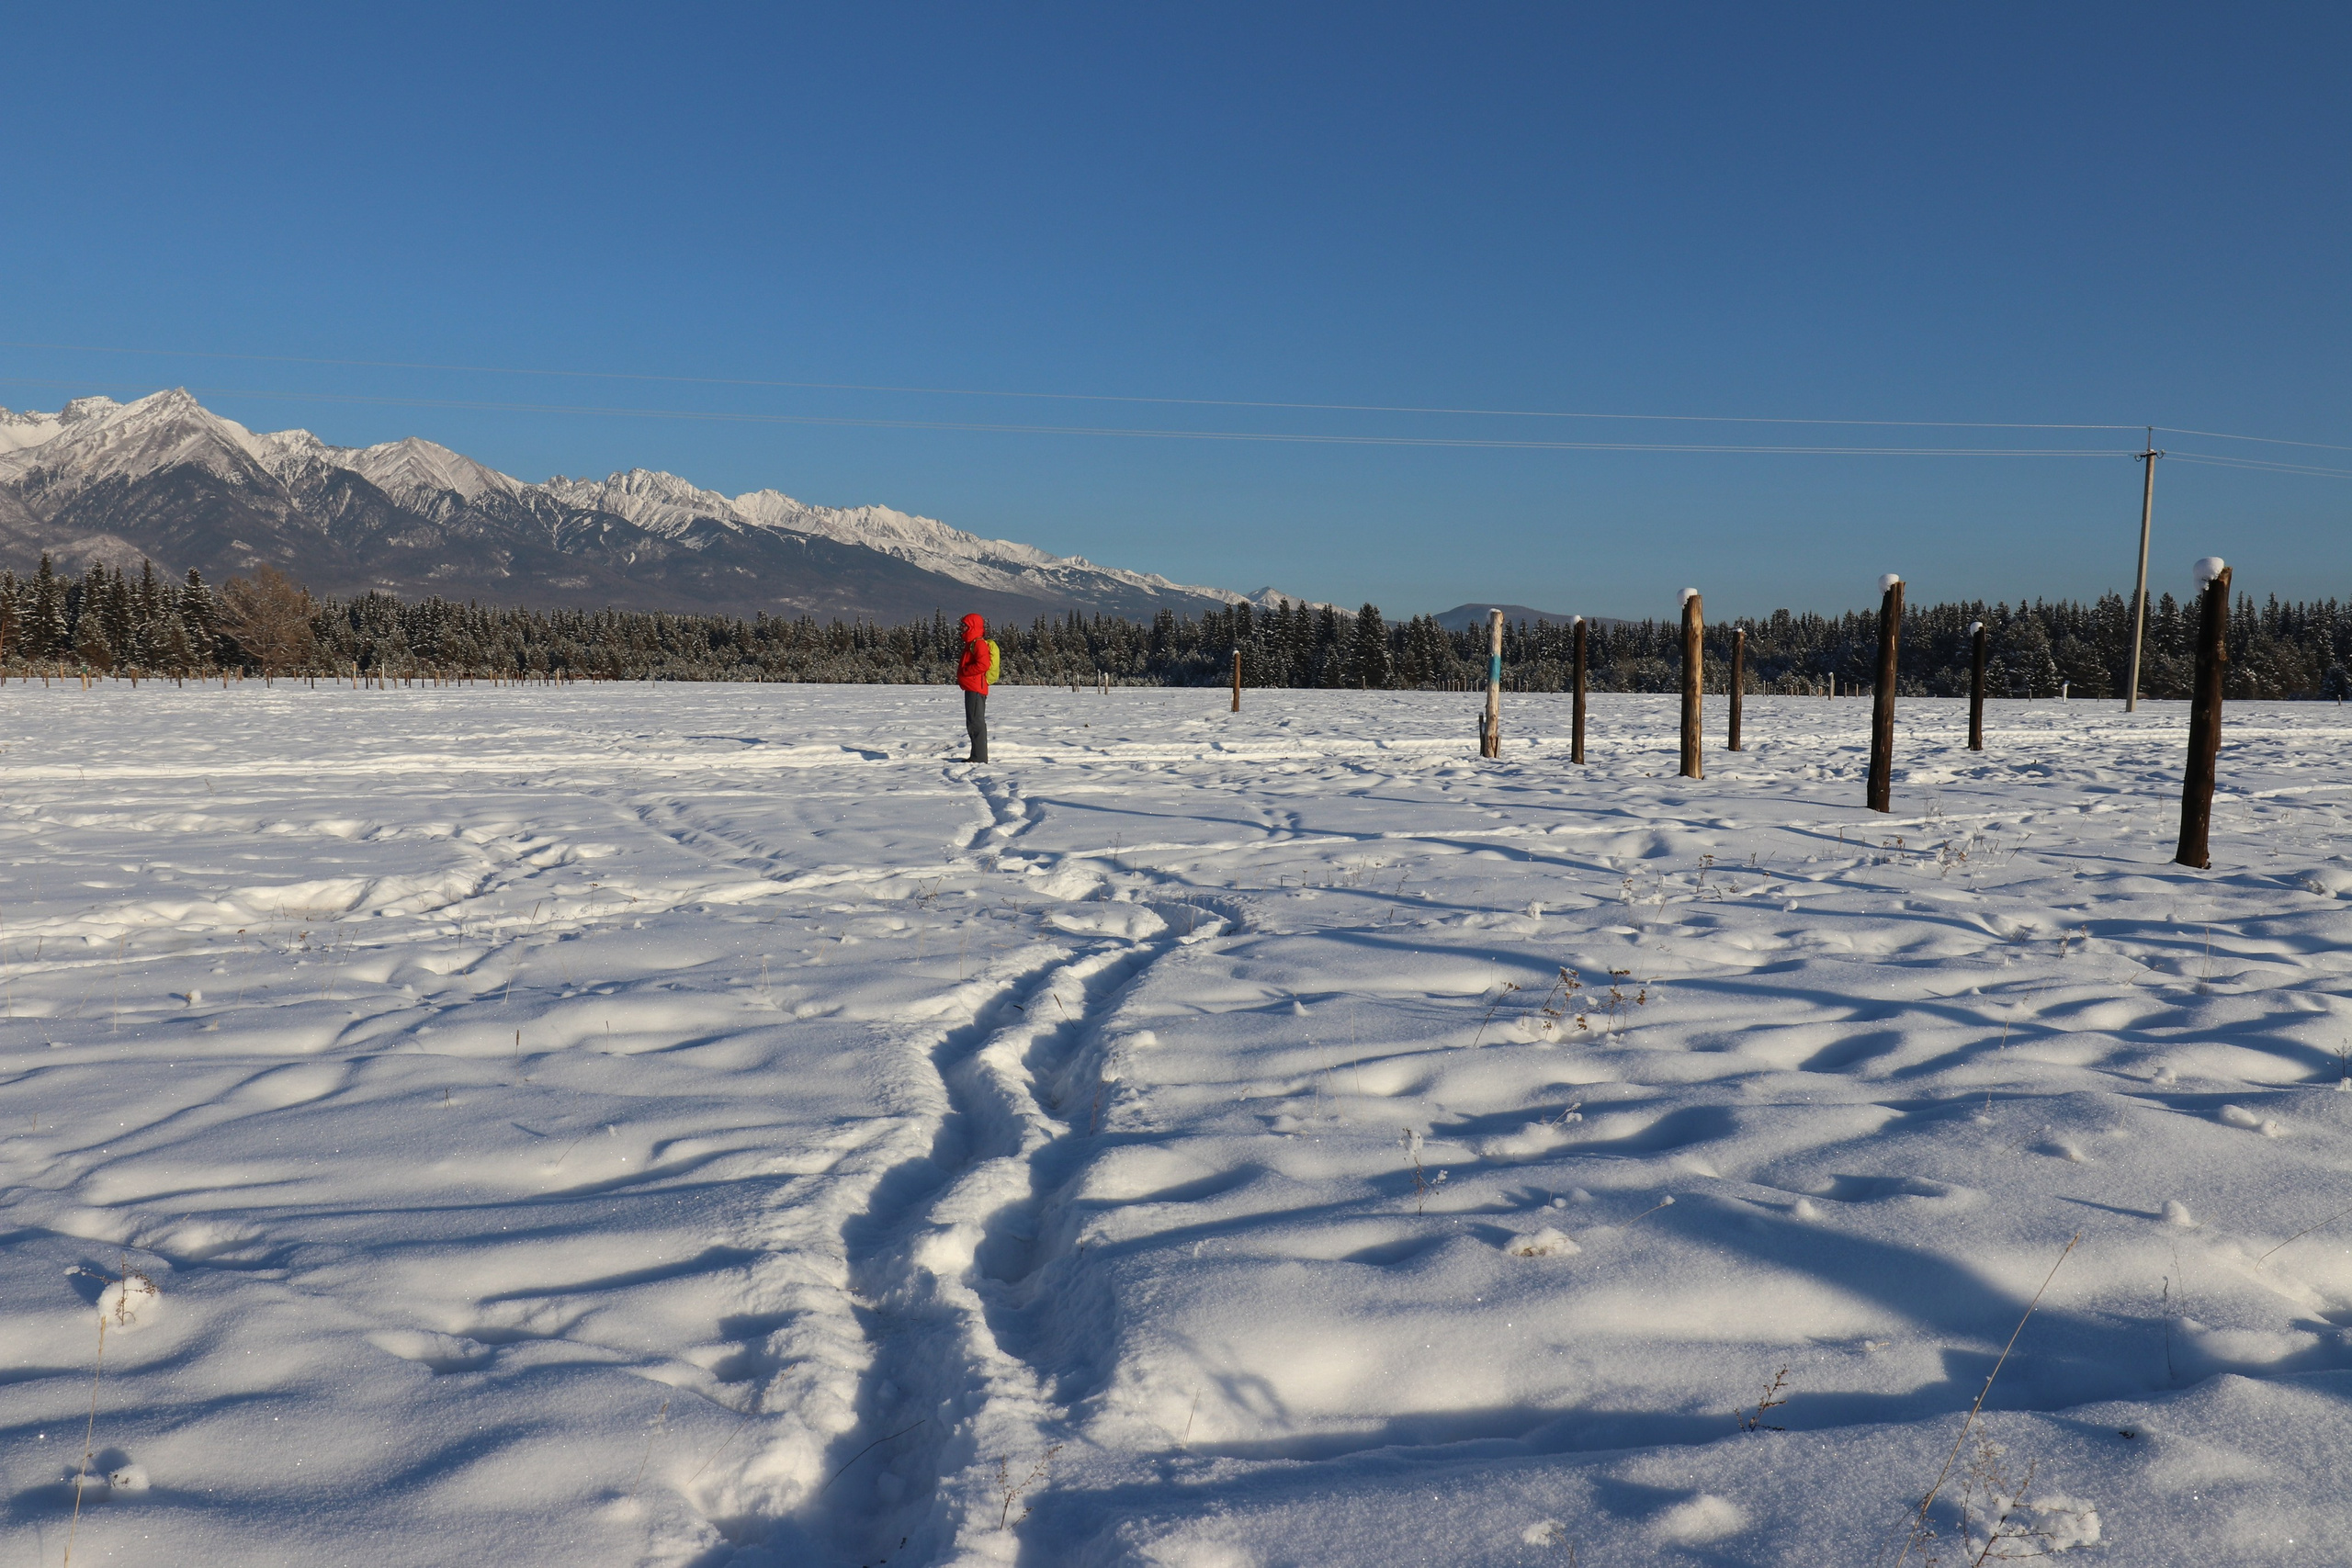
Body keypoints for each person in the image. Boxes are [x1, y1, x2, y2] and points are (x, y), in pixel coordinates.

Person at [956, 612, 999, 761]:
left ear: (972, 626)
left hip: (976, 688)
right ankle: (976, 755)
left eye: (964, 626)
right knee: (973, 722)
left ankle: (979, 757)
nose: (961, 628)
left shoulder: (978, 643)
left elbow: (983, 664)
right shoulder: (972, 643)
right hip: (972, 687)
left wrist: (966, 671)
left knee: (976, 723)